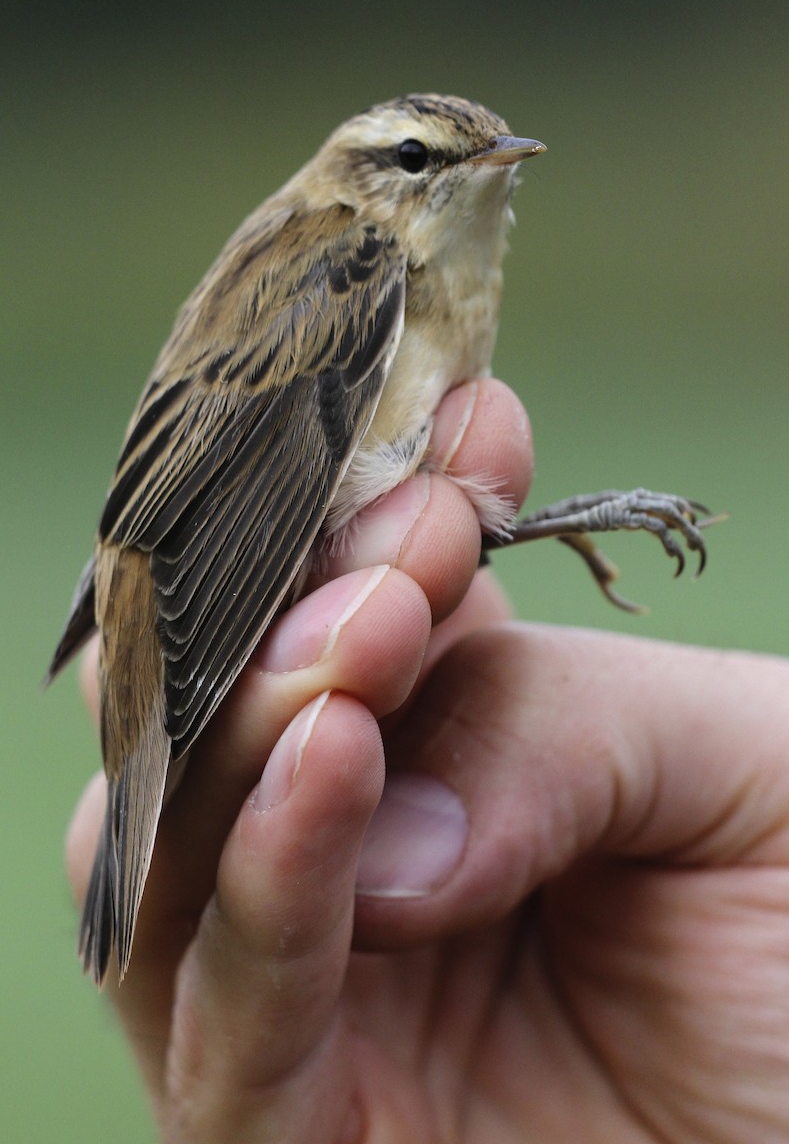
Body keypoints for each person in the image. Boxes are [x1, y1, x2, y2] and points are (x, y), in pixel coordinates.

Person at [67, 379, 789, 1142]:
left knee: (405, 566)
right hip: (227, 520)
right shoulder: (361, 267)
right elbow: (265, 479)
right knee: (388, 584)